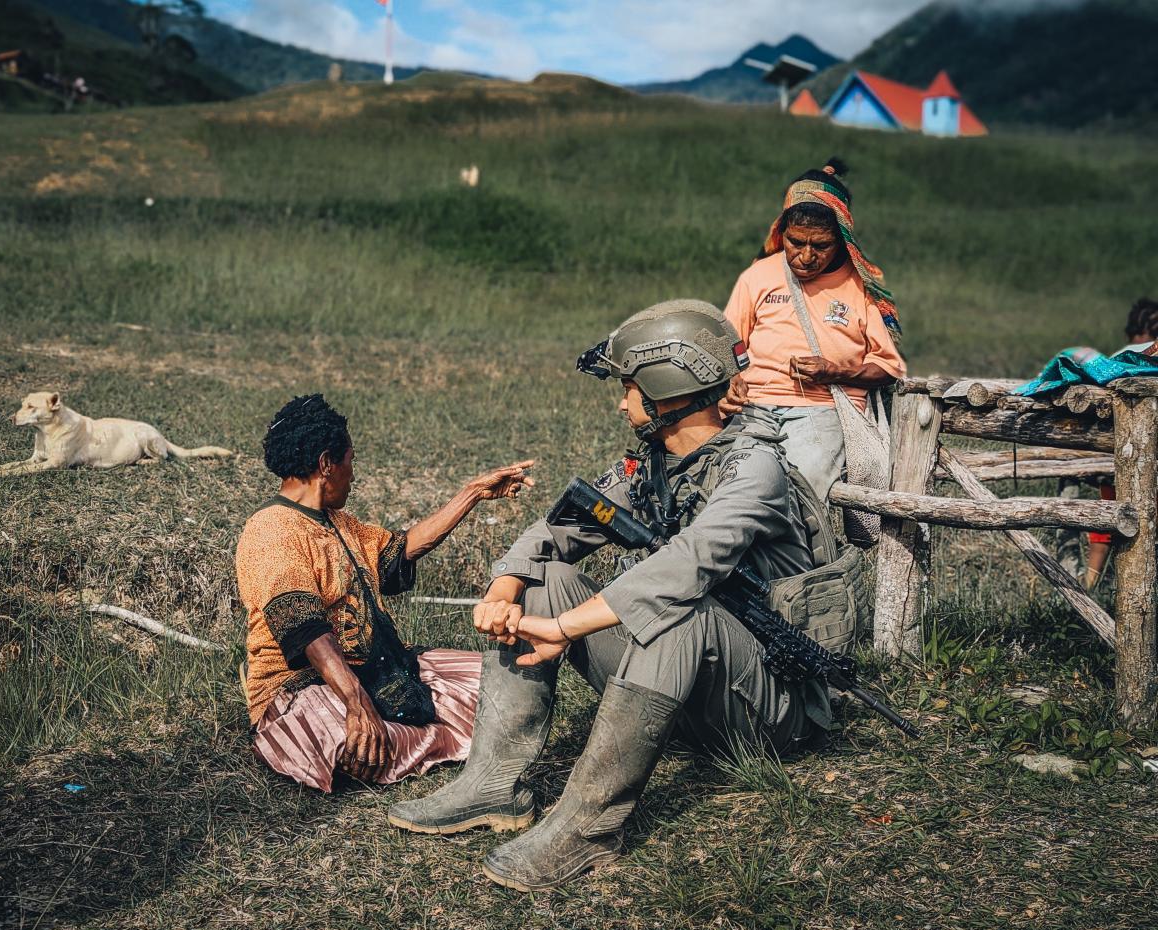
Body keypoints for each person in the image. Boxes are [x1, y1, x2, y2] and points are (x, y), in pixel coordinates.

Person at [388, 301, 845, 892]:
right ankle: (494, 784)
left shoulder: (755, 470)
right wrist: (506, 587)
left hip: (767, 709)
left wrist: (566, 628)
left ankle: (588, 828)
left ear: (666, 388)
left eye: (628, 388)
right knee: (543, 580)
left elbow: (689, 564)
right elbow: (557, 531)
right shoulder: (657, 464)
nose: (621, 402)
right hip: (689, 696)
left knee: (680, 611)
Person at [236, 393, 535, 792]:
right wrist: (356, 703)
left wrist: (473, 494)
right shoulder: (272, 530)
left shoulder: (340, 522)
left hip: (376, 669)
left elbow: (403, 549)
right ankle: (421, 736)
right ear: (327, 464)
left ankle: (417, 735)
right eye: (350, 461)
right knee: (344, 744)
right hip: (304, 685)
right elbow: (305, 629)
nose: (353, 474)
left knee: (507, 681)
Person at [721, 158, 906, 500]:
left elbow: (889, 368)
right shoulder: (756, 277)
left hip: (824, 411)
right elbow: (727, 347)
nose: (805, 256)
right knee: (732, 486)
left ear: (843, 239)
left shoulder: (863, 287)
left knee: (797, 491)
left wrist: (834, 371)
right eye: (795, 242)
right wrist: (730, 381)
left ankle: (795, 552)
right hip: (753, 408)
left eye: (820, 246)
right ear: (782, 232)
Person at [1071, 297, 1158, 587]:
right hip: (1146, 453)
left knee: (1104, 528)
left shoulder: (1120, 355)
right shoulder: (1149, 356)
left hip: (1111, 451)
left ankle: (1089, 588)